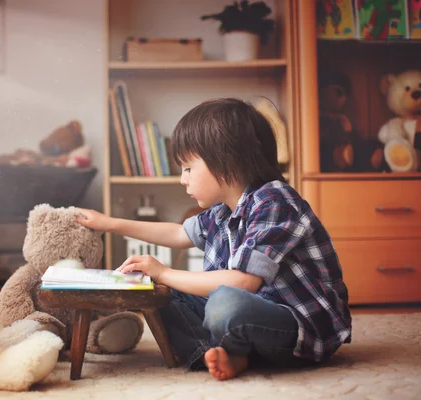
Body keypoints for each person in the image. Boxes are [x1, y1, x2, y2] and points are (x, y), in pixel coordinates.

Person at [76, 98, 352, 381]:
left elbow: (244, 282)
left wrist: (165, 271)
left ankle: (233, 349)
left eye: (188, 168)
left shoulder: (274, 201)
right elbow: (177, 233)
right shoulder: (221, 213)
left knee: (225, 303)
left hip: (297, 325)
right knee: (158, 292)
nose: (183, 179)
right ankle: (219, 353)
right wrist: (110, 224)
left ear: (227, 161)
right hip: (246, 320)